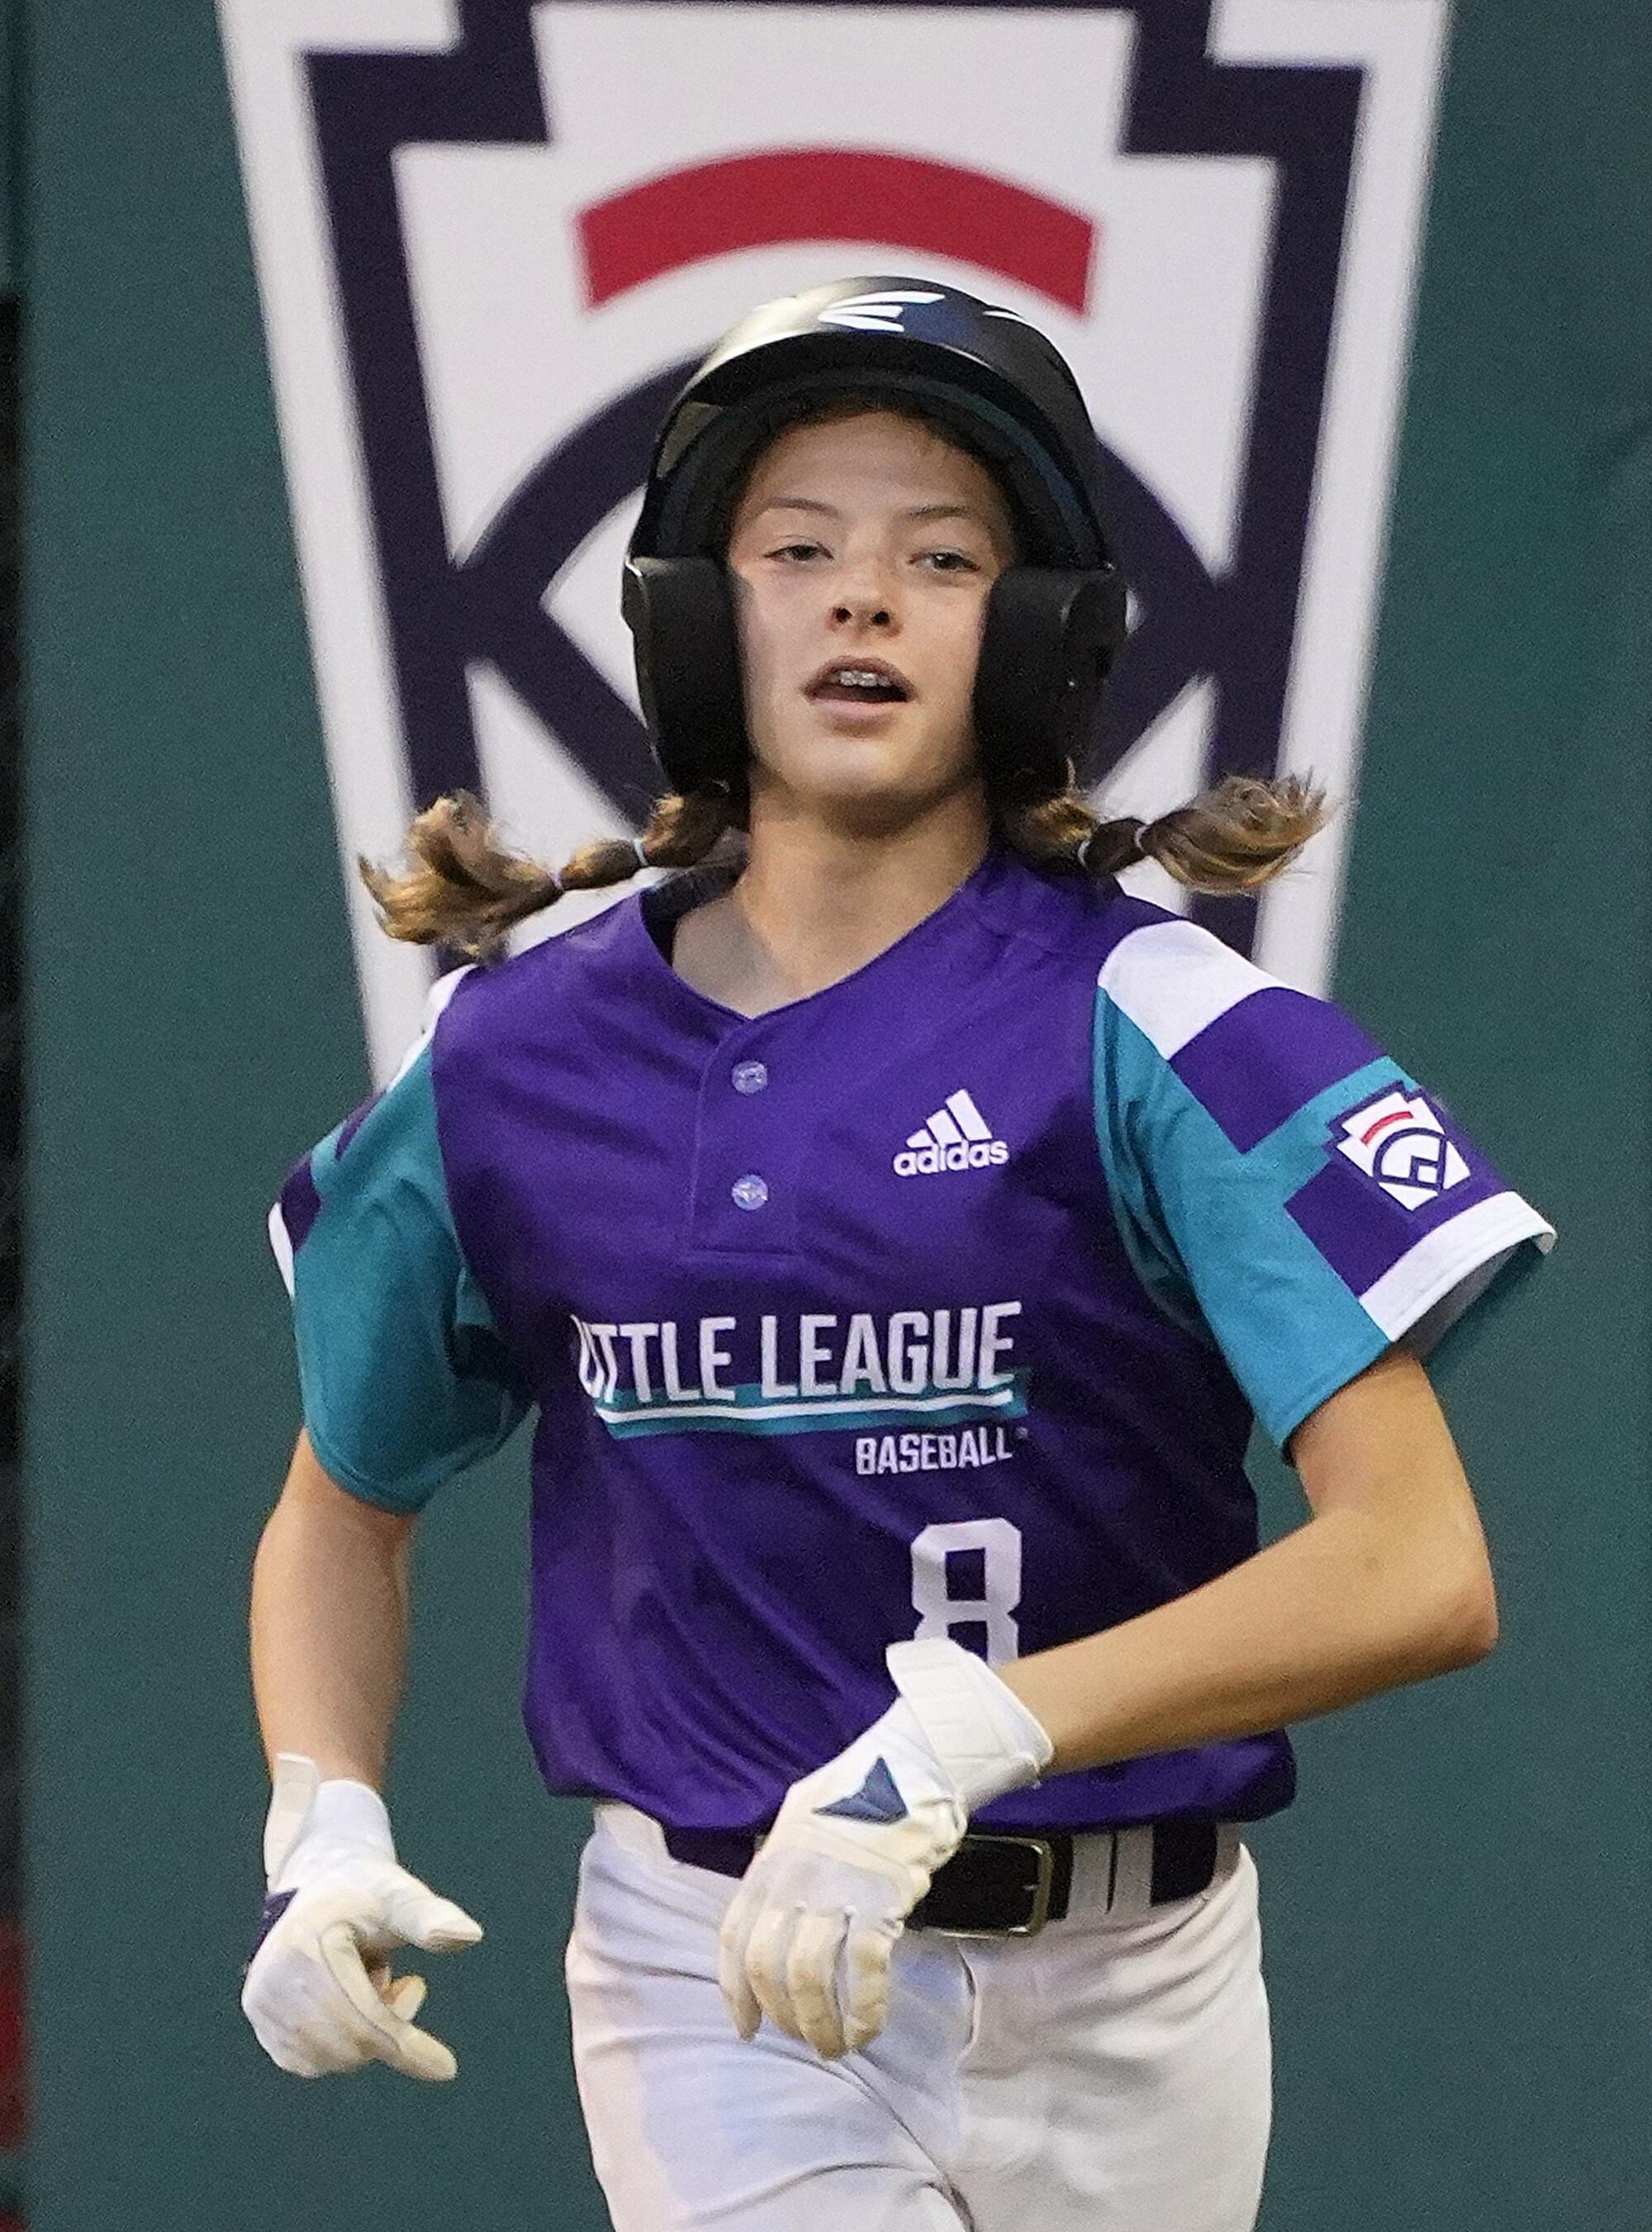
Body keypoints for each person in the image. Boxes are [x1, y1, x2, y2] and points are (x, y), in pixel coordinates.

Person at [242, 278, 1552, 2231]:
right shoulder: (512, 1058)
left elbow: (1418, 1569)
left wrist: (973, 1731)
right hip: (719, 1969)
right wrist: (320, 1822)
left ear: (1036, 640)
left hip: (1143, 1978)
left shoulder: (1166, 1024)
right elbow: (345, 1504)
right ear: (698, 615)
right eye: (796, 551)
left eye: (942, 559)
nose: (863, 598)